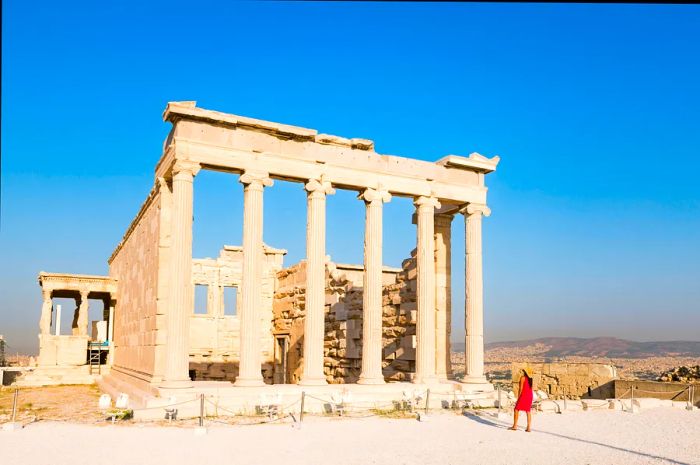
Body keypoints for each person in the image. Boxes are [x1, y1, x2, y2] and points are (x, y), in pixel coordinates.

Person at [510, 367, 534, 432]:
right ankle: (528, 427)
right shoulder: (531, 379)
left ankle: (515, 426)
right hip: (530, 395)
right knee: (528, 411)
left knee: (516, 409)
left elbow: (520, 388)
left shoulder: (522, 378)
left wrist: (518, 397)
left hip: (524, 395)